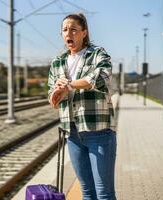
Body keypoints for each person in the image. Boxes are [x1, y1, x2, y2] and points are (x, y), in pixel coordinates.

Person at [48, 13, 117, 200]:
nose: (68, 33)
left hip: (98, 131)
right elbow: (52, 99)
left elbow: (101, 77)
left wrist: (69, 84)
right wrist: (56, 92)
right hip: (72, 133)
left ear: (84, 33)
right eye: (64, 30)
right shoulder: (57, 62)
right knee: (87, 192)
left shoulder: (97, 54)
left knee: (104, 193)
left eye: (73, 29)